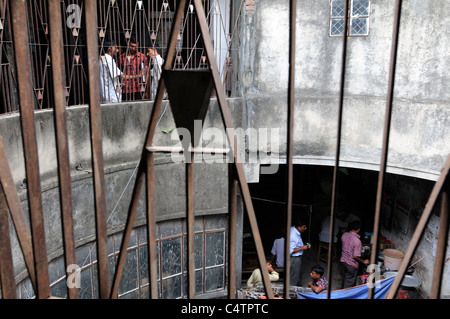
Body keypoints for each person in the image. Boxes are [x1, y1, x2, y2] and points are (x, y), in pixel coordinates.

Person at [339, 220, 369, 289]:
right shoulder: (357, 241)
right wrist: (363, 261)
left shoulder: (344, 235)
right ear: (358, 230)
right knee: (348, 286)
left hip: (343, 262)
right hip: (351, 265)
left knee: (344, 279)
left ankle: (341, 293)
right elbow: (355, 256)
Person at [118, 35, 148, 101]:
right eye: (131, 46)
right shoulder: (122, 57)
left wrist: (143, 70)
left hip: (139, 87)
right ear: (128, 45)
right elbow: (118, 71)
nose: (133, 48)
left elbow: (145, 68)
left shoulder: (142, 57)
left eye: (135, 47)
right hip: (126, 88)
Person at [289, 219, 311, 287]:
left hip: (297, 257)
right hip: (294, 258)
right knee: (294, 276)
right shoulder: (293, 236)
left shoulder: (293, 228)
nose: (305, 228)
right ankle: (292, 290)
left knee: (298, 272)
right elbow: (290, 250)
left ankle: (298, 285)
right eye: (304, 227)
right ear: (298, 227)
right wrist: (302, 248)